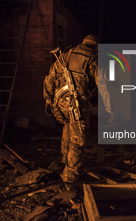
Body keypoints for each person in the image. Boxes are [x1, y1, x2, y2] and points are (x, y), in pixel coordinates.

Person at [43, 34, 114, 185]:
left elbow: (49, 78)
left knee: (68, 126)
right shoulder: (92, 59)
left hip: (60, 103)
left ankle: (64, 160)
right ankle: (70, 175)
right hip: (77, 104)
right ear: (95, 47)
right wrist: (110, 108)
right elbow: (103, 85)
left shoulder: (66, 54)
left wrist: (48, 101)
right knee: (78, 139)